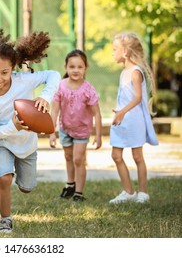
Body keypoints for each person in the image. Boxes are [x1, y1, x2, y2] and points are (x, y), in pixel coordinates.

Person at [0, 29, 61, 233]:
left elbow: (54, 75)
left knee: (26, 188)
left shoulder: (23, 80)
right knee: (4, 178)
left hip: (26, 144)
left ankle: (20, 178)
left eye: (4, 72)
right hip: (3, 143)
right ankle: (5, 220)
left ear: (12, 68)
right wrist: (11, 127)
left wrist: (45, 97)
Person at [109, 32, 159, 204]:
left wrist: (122, 111)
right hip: (121, 121)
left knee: (137, 157)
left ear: (125, 52)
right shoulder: (123, 72)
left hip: (133, 120)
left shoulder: (135, 72)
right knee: (116, 155)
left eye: (115, 49)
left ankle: (143, 193)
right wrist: (119, 113)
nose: (112, 52)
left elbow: (137, 97)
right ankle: (128, 192)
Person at [49, 49, 102, 202]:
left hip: (82, 131)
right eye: (72, 67)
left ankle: (79, 192)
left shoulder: (88, 89)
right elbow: (54, 111)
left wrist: (98, 136)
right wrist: (52, 132)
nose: (76, 70)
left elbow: (97, 114)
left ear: (85, 68)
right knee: (68, 157)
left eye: (80, 67)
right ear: (66, 67)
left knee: (78, 159)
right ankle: (70, 185)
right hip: (65, 129)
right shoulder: (61, 86)